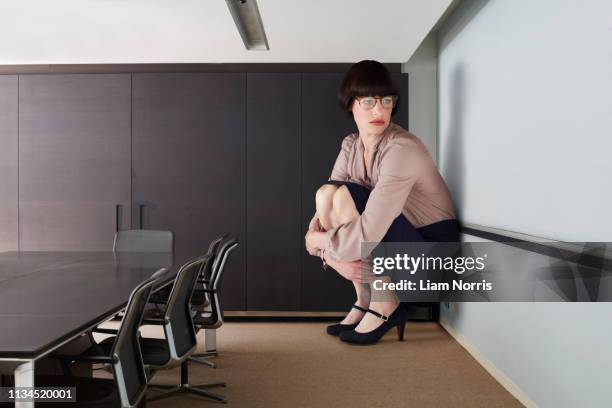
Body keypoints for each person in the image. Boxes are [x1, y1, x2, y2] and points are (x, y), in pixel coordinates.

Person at [305, 60, 459, 345]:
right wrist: (320, 244)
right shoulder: (351, 145)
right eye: (368, 101)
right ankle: (365, 297)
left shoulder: (402, 149)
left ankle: (386, 302)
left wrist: (321, 245)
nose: (379, 110)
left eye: (386, 101)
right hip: (398, 243)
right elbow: (324, 205)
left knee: (347, 197)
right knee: (329, 193)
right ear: (351, 104)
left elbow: (370, 230)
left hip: (430, 257)